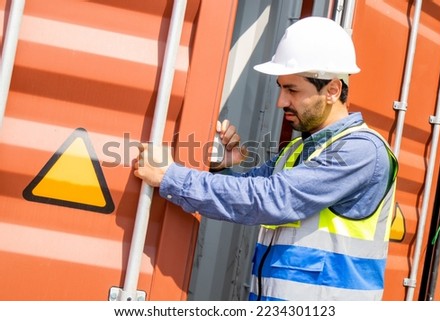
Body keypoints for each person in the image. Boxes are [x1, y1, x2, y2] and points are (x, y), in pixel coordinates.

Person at [133, 16, 398, 301]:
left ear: (332, 90)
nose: (281, 102)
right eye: (281, 88)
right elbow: (247, 193)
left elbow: (271, 199)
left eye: (292, 90)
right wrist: (221, 167)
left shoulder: (361, 152)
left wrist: (170, 177)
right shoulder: (299, 150)